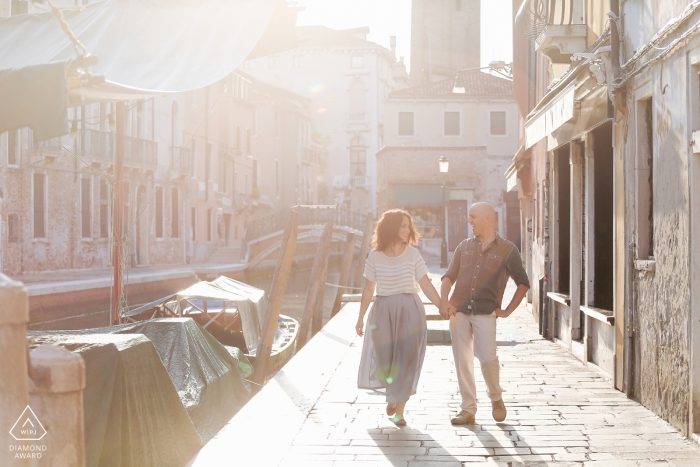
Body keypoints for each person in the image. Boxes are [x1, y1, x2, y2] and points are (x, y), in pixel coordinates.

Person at [440, 202, 530, 425]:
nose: (469, 221)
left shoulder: (508, 249)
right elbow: (449, 276)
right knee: (462, 359)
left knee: (488, 358)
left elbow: (523, 283)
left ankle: (496, 396)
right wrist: (443, 300)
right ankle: (468, 408)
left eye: (473, 217)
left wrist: (508, 310)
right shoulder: (464, 246)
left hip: (486, 311)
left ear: (487, 219)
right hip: (458, 310)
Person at [356, 209, 442, 426]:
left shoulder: (413, 254)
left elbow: (425, 283)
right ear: (391, 227)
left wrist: (441, 304)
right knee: (384, 359)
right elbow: (368, 290)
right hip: (383, 309)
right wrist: (360, 317)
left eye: (408, 226)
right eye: (403, 226)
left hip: (410, 309)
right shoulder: (374, 256)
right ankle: (392, 392)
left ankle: (399, 411)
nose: (408, 230)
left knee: (406, 360)